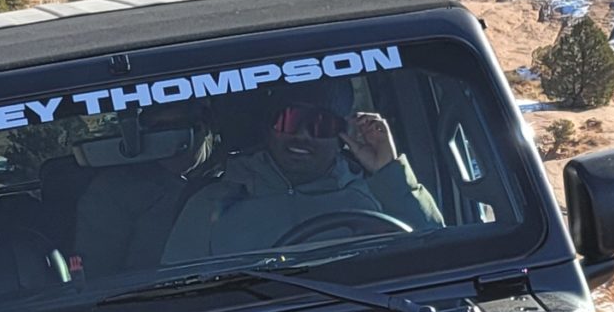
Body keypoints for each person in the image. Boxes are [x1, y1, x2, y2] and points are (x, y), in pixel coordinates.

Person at [160, 86, 442, 263]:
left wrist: (387, 171)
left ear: (342, 135)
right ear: (268, 128)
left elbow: (438, 256)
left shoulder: (378, 196)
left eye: (321, 124)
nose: (302, 135)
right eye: (289, 120)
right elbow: (177, 295)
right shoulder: (212, 202)